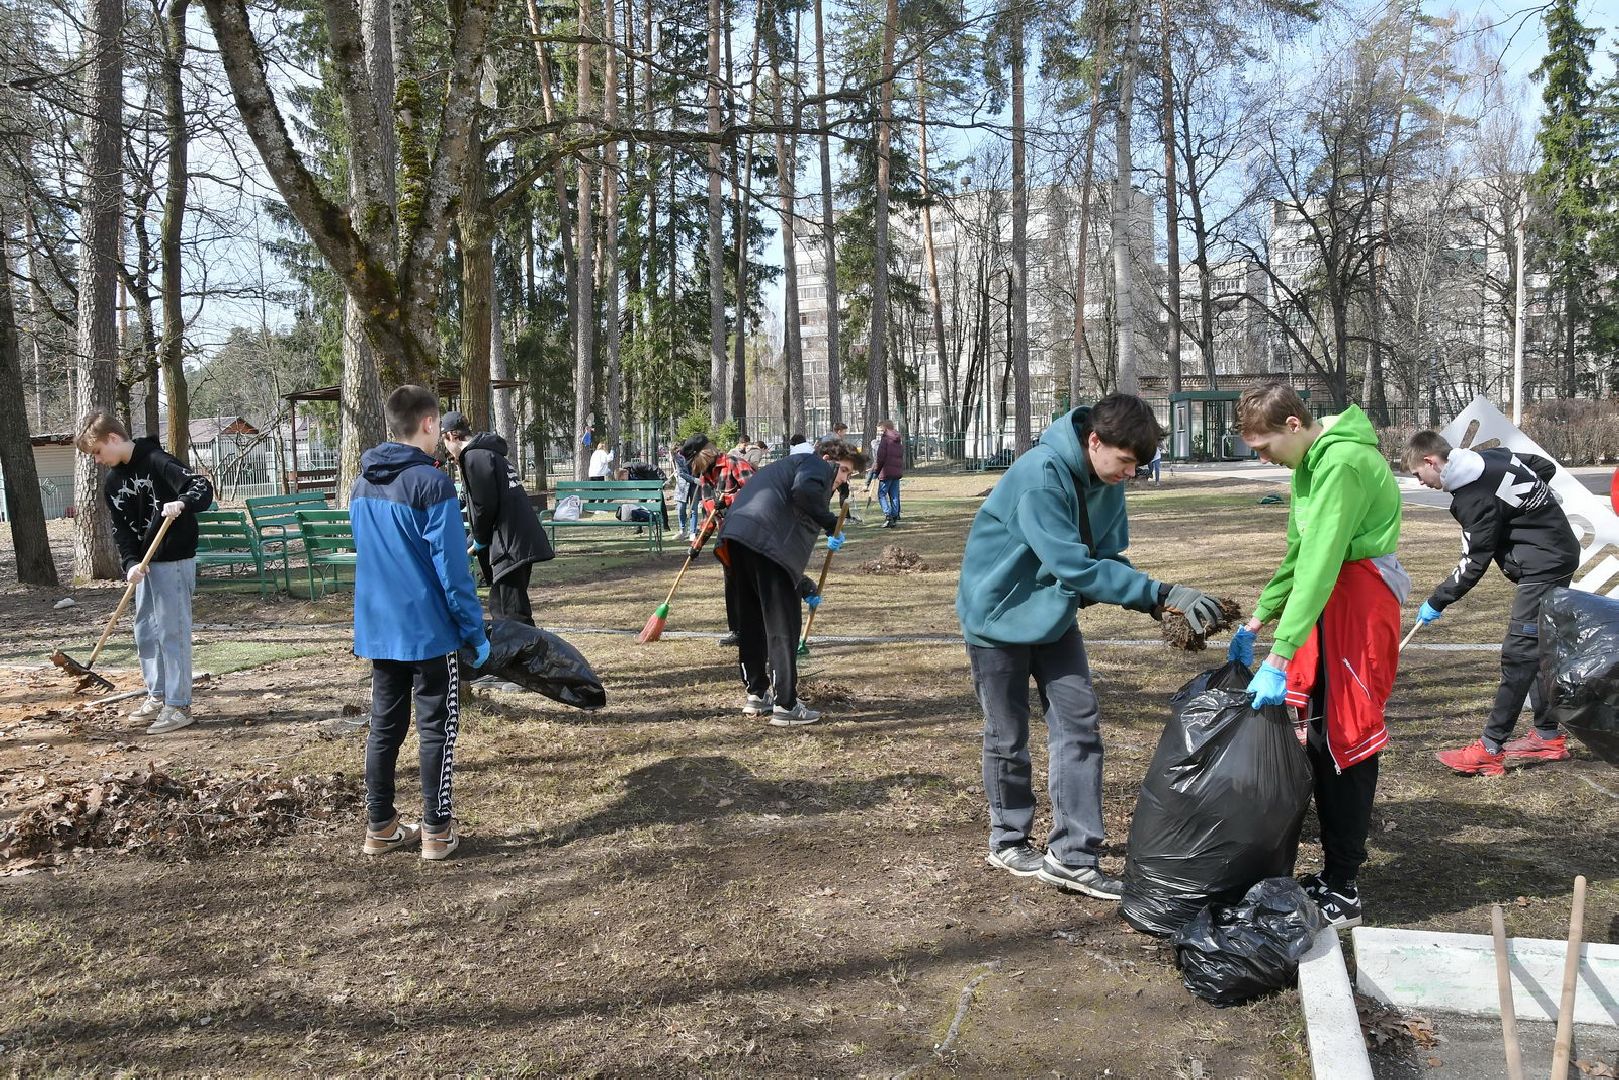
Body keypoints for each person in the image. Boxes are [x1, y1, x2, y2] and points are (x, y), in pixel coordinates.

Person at [957, 395, 1224, 900]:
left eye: (1138, 466)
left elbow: (1107, 557)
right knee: (1008, 736)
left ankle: (1072, 856)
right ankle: (1008, 838)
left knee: (1079, 726)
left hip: (1053, 619)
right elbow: (1075, 567)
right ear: (1094, 441)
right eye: (1125, 462)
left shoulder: (1106, 481)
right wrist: (1158, 593)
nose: (1130, 473)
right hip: (997, 619)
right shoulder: (1041, 476)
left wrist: (1162, 602)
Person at [1229, 383, 1407, 929]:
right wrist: (1259, 619)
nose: (1260, 459)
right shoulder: (1307, 465)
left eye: (1262, 448)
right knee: (1319, 735)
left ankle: (1345, 886)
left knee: (1345, 739)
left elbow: (1324, 560)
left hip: (1358, 600)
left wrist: (1280, 656)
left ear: (1291, 425)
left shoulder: (1343, 463)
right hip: (1330, 600)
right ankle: (1331, 876)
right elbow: (1299, 553)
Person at [350, 385, 490, 862]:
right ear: (430, 424)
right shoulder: (433, 484)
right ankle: (435, 829)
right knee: (436, 728)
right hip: (429, 630)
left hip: (379, 627)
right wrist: (475, 632)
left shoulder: (362, 482)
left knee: (384, 728)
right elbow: (453, 571)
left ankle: (380, 826)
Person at [1405, 430, 1580, 775]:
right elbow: (1540, 465)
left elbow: (1473, 561)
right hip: (1558, 553)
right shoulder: (1491, 457)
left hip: (1544, 565)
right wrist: (1527, 505)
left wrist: (1438, 601)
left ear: (1431, 461)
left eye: (1417, 475)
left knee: (1518, 653)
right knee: (1540, 650)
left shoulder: (1472, 497)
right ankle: (1547, 737)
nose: (1420, 483)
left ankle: (1490, 748)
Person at [76, 411, 214, 735]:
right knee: (146, 633)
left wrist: (181, 502)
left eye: (97, 451)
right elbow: (121, 531)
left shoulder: (156, 459)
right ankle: (158, 695)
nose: (97, 460)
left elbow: (200, 487)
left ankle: (179, 705)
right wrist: (129, 564)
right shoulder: (113, 483)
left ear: (112, 438)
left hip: (173, 560)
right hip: (145, 566)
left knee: (172, 632)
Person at [716, 438, 867, 726]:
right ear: (828, 459)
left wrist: (803, 584)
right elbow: (804, 492)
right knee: (782, 625)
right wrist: (830, 523)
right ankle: (785, 704)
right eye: (845, 470)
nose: (844, 479)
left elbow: (782, 532)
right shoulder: (815, 465)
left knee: (752, 621)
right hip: (760, 540)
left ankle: (757, 694)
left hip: (738, 538)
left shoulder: (790, 467)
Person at [441, 410, 555, 627]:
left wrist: (479, 540)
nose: (447, 451)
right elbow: (474, 499)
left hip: (510, 545)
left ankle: (526, 657)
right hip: (515, 541)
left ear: (451, 437)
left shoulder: (474, 457)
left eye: (445, 443)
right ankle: (519, 654)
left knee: (511, 613)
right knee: (503, 606)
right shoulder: (487, 454)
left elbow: (484, 506)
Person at [823, 423, 863, 524]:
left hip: (831, 470)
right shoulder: (836, 441)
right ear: (839, 431)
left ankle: (844, 516)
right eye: (844, 432)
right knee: (842, 493)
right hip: (835, 470)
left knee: (836, 493)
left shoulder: (826, 439)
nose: (844, 434)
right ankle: (844, 517)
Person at [672, 434, 709, 540]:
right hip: (683, 486)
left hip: (695, 486)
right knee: (681, 508)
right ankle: (682, 530)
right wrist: (694, 480)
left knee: (693, 509)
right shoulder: (677, 458)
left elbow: (701, 467)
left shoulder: (695, 455)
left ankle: (692, 531)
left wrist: (700, 475)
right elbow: (681, 473)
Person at [874, 419, 905, 528]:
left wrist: (876, 472)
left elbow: (880, 458)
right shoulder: (898, 439)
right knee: (894, 495)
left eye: (880, 431)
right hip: (896, 472)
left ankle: (888, 516)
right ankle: (895, 516)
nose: (879, 433)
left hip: (886, 472)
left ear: (884, 428)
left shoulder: (885, 440)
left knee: (882, 494)